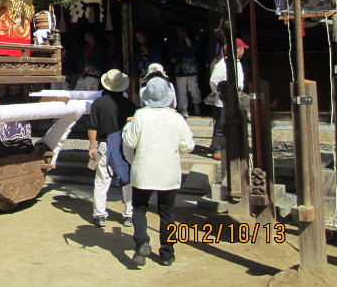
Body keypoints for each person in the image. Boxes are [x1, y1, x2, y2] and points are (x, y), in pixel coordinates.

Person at [122, 77, 195, 267]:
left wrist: (128, 127)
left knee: (139, 208)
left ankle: (142, 242)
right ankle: (167, 253)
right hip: (168, 171)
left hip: (144, 169)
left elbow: (130, 142)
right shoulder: (176, 118)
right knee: (167, 212)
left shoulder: (140, 116)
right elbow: (188, 145)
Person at [87, 69, 136, 229]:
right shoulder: (129, 105)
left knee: (102, 180)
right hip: (125, 144)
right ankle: (129, 214)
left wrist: (92, 146)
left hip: (104, 144)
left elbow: (93, 127)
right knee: (127, 179)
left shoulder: (98, 103)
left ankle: (100, 214)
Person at [208, 38, 247, 160]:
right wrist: (220, 91)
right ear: (237, 50)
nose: (243, 51)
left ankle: (228, 146)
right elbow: (214, 81)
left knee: (230, 123)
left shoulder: (236, 62)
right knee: (221, 125)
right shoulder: (223, 64)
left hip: (234, 98)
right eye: (242, 48)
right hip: (224, 99)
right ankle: (217, 148)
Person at [173, 26, 202, 117]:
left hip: (191, 69)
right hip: (180, 70)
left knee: (193, 89)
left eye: (182, 31)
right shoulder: (175, 42)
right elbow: (173, 54)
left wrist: (187, 41)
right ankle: (184, 108)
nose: (180, 34)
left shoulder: (193, 41)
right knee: (181, 90)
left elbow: (195, 51)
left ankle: (196, 104)